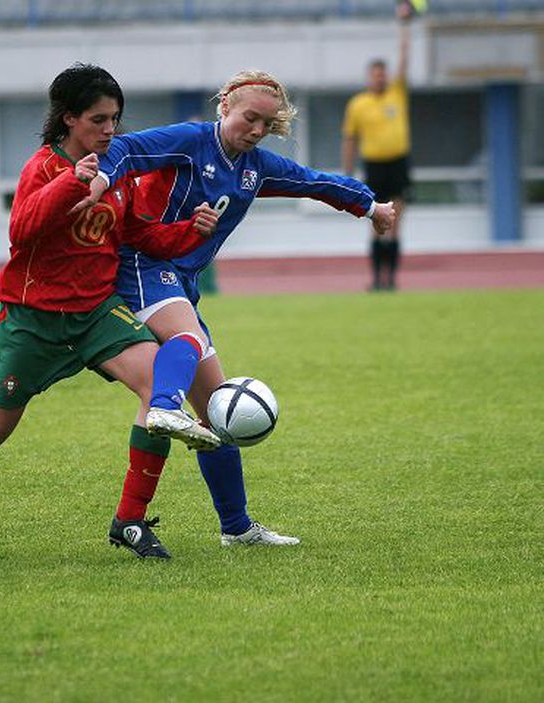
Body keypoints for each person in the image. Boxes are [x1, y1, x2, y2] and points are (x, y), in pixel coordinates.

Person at [0, 63, 221, 562]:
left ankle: (129, 521)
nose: (110, 130)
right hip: (33, 320)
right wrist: (72, 182)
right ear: (68, 119)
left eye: (115, 119)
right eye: (98, 120)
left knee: (159, 393)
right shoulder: (43, 166)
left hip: (97, 314)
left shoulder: (119, 168)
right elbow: (22, 229)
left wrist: (192, 230)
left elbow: (140, 237)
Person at [73, 69, 396, 548]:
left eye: (266, 124)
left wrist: (370, 208)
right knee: (193, 351)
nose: (256, 130)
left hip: (180, 281)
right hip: (142, 266)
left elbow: (311, 181)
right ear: (224, 106)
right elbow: (129, 148)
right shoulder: (190, 141)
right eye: (249, 118)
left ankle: (237, 529)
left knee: (216, 409)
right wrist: (100, 176)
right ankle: (163, 408)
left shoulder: (254, 167)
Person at [341, 1, 413, 291]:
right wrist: (347, 173)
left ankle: (392, 279)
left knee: (397, 223)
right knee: (375, 222)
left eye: (384, 73)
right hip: (374, 166)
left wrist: (405, 25)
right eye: (376, 74)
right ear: (369, 77)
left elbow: (405, 58)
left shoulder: (397, 93)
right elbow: (349, 139)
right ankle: (375, 279)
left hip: (398, 163)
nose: (380, 78)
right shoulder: (358, 104)